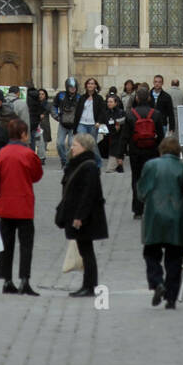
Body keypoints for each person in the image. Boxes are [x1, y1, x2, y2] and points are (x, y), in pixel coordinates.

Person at [0, 119, 43, 297]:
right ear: (22, 134)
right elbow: (37, 176)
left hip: (5, 205)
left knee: (6, 244)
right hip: (24, 205)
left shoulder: (0, 154)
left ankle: (6, 279)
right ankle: (24, 279)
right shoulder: (28, 154)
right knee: (26, 244)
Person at [138, 135, 183, 310]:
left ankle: (157, 281)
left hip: (155, 216)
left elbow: (142, 191)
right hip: (178, 217)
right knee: (174, 258)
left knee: (151, 253)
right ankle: (171, 297)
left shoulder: (151, 165)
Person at [58, 133, 108, 298]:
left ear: (85, 148)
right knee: (84, 250)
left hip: (86, 217)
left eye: (75, 145)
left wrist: (80, 217)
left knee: (87, 251)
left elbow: (88, 194)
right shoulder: (79, 163)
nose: (72, 148)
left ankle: (90, 285)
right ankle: (87, 285)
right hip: (78, 213)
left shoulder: (89, 166)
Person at [125, 84, 166, 218]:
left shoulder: (131, 114)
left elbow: (125, 136)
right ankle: (152, 206)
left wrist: (119, 154)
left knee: (136, 179)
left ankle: (138, 209)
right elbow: (161, 135)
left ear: (136, 98)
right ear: (149, 98)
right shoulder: (156, 114)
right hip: (152, 151)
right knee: (152, 179)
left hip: (135, 152)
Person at [75, 77, 107, 168]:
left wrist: (99, 122)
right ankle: (83, 162)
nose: (90, 85)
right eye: (89, 83)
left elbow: (102, 112)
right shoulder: (82, 98)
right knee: (82, 143)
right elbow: (77, 112)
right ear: (86, 85)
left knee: (92, 144)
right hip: (82, 124)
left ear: (95, 86)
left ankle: (98, 162)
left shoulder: (99, 98)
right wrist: (75, 126)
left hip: (93, 124)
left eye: (92, 83)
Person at [52, 78, 80, 168]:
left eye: (74, 87)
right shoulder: (61, 96)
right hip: (63, 124)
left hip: (74, 125)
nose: (73, 88)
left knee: (71, 144)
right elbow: (54, 106)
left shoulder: (79, 97)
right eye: (71, 87)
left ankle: (68, 162)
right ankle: (64, 160)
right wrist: (56, 116)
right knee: (59, 144)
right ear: (67, 87)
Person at [101, 94, 126, 173]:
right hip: (109, 137)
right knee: (114, 151)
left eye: (111, 102)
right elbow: (103, 122)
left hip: (119, 136)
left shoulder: (121, 112)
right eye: (108, 102)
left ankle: (113, 167)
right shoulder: (106, 112)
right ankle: (119, 166)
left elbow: (125, 121)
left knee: (116, 152)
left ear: (116, 103)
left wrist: (118, 124)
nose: (109, 103)